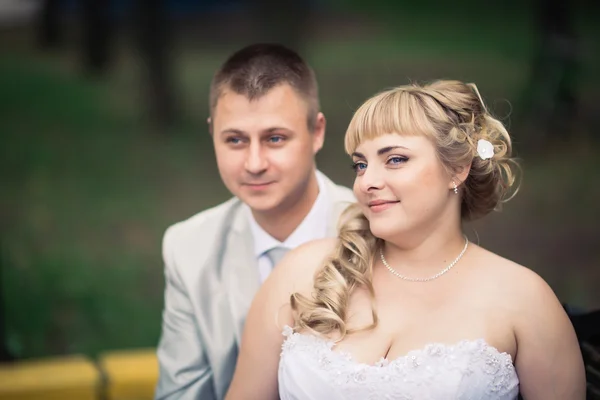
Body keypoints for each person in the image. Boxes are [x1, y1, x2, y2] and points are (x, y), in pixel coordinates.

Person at [225, 80, 586, 399]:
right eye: (360, 164)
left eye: (395, 159)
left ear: (457, 169)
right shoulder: (302, 272)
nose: (366, 182)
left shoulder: (525, 299)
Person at [154, 44, 355, 400]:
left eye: (275, 138)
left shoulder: (376, 230)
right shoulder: (187, 248)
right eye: (235, 140)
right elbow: (181, 393)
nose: (255, 163)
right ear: (212, 133)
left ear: (317, 132)